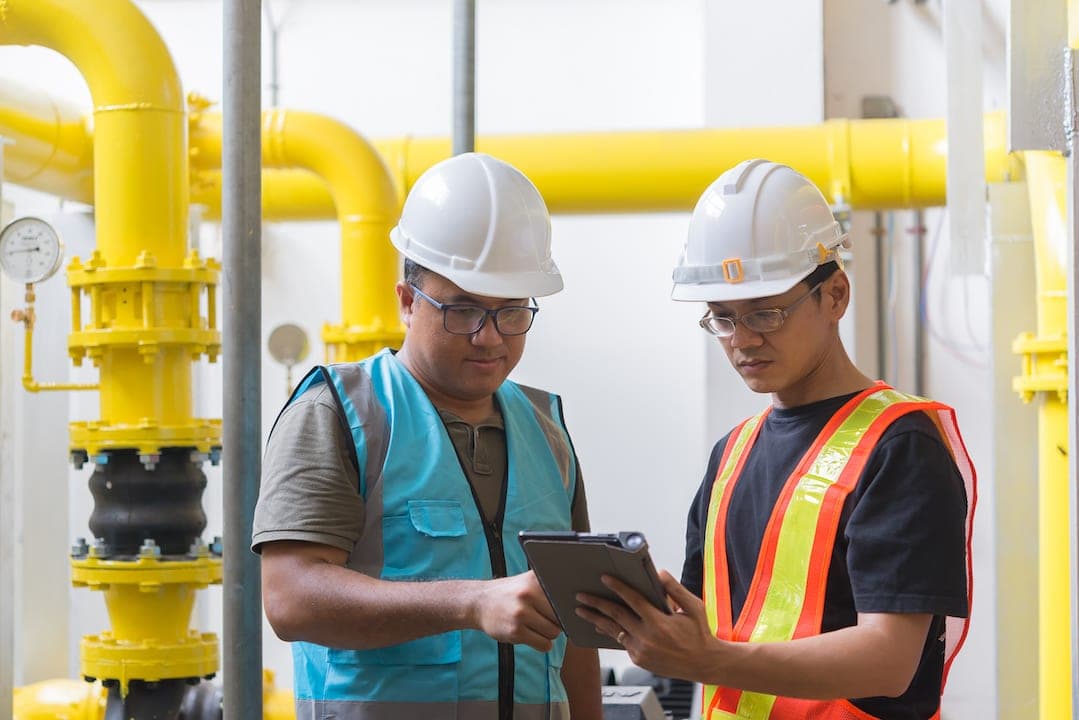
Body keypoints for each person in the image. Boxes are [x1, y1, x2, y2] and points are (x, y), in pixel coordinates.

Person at [576, 159, 975, 720]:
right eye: (722, 318)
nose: (742, 341)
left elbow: (889, 660)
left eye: (765, 314)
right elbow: (714, 628)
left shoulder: (898, 446)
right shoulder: (732, 454)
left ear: (835, 295)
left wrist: (711, 660)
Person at [253, 152, 602, 720]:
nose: (490, 338)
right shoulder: (339, 411)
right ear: (408, 302)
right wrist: (471, 602)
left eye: (512, 312)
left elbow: (575, 631)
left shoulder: (547, 429)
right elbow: (290, 598)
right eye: (463, 310)